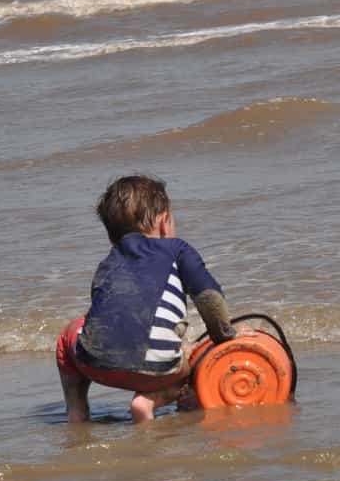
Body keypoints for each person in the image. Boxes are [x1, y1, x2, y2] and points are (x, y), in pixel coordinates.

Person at [56, 175, 239, 423]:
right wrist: (223, 336)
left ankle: (77, 413)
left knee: (69, 334)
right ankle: (154, 399)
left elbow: (103, 317)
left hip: (97, 366)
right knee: (197, 355)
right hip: (160, 371)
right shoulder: (177, 248)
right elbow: (209, 297)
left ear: (112, 238)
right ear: (165, 223)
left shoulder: (107, 264)